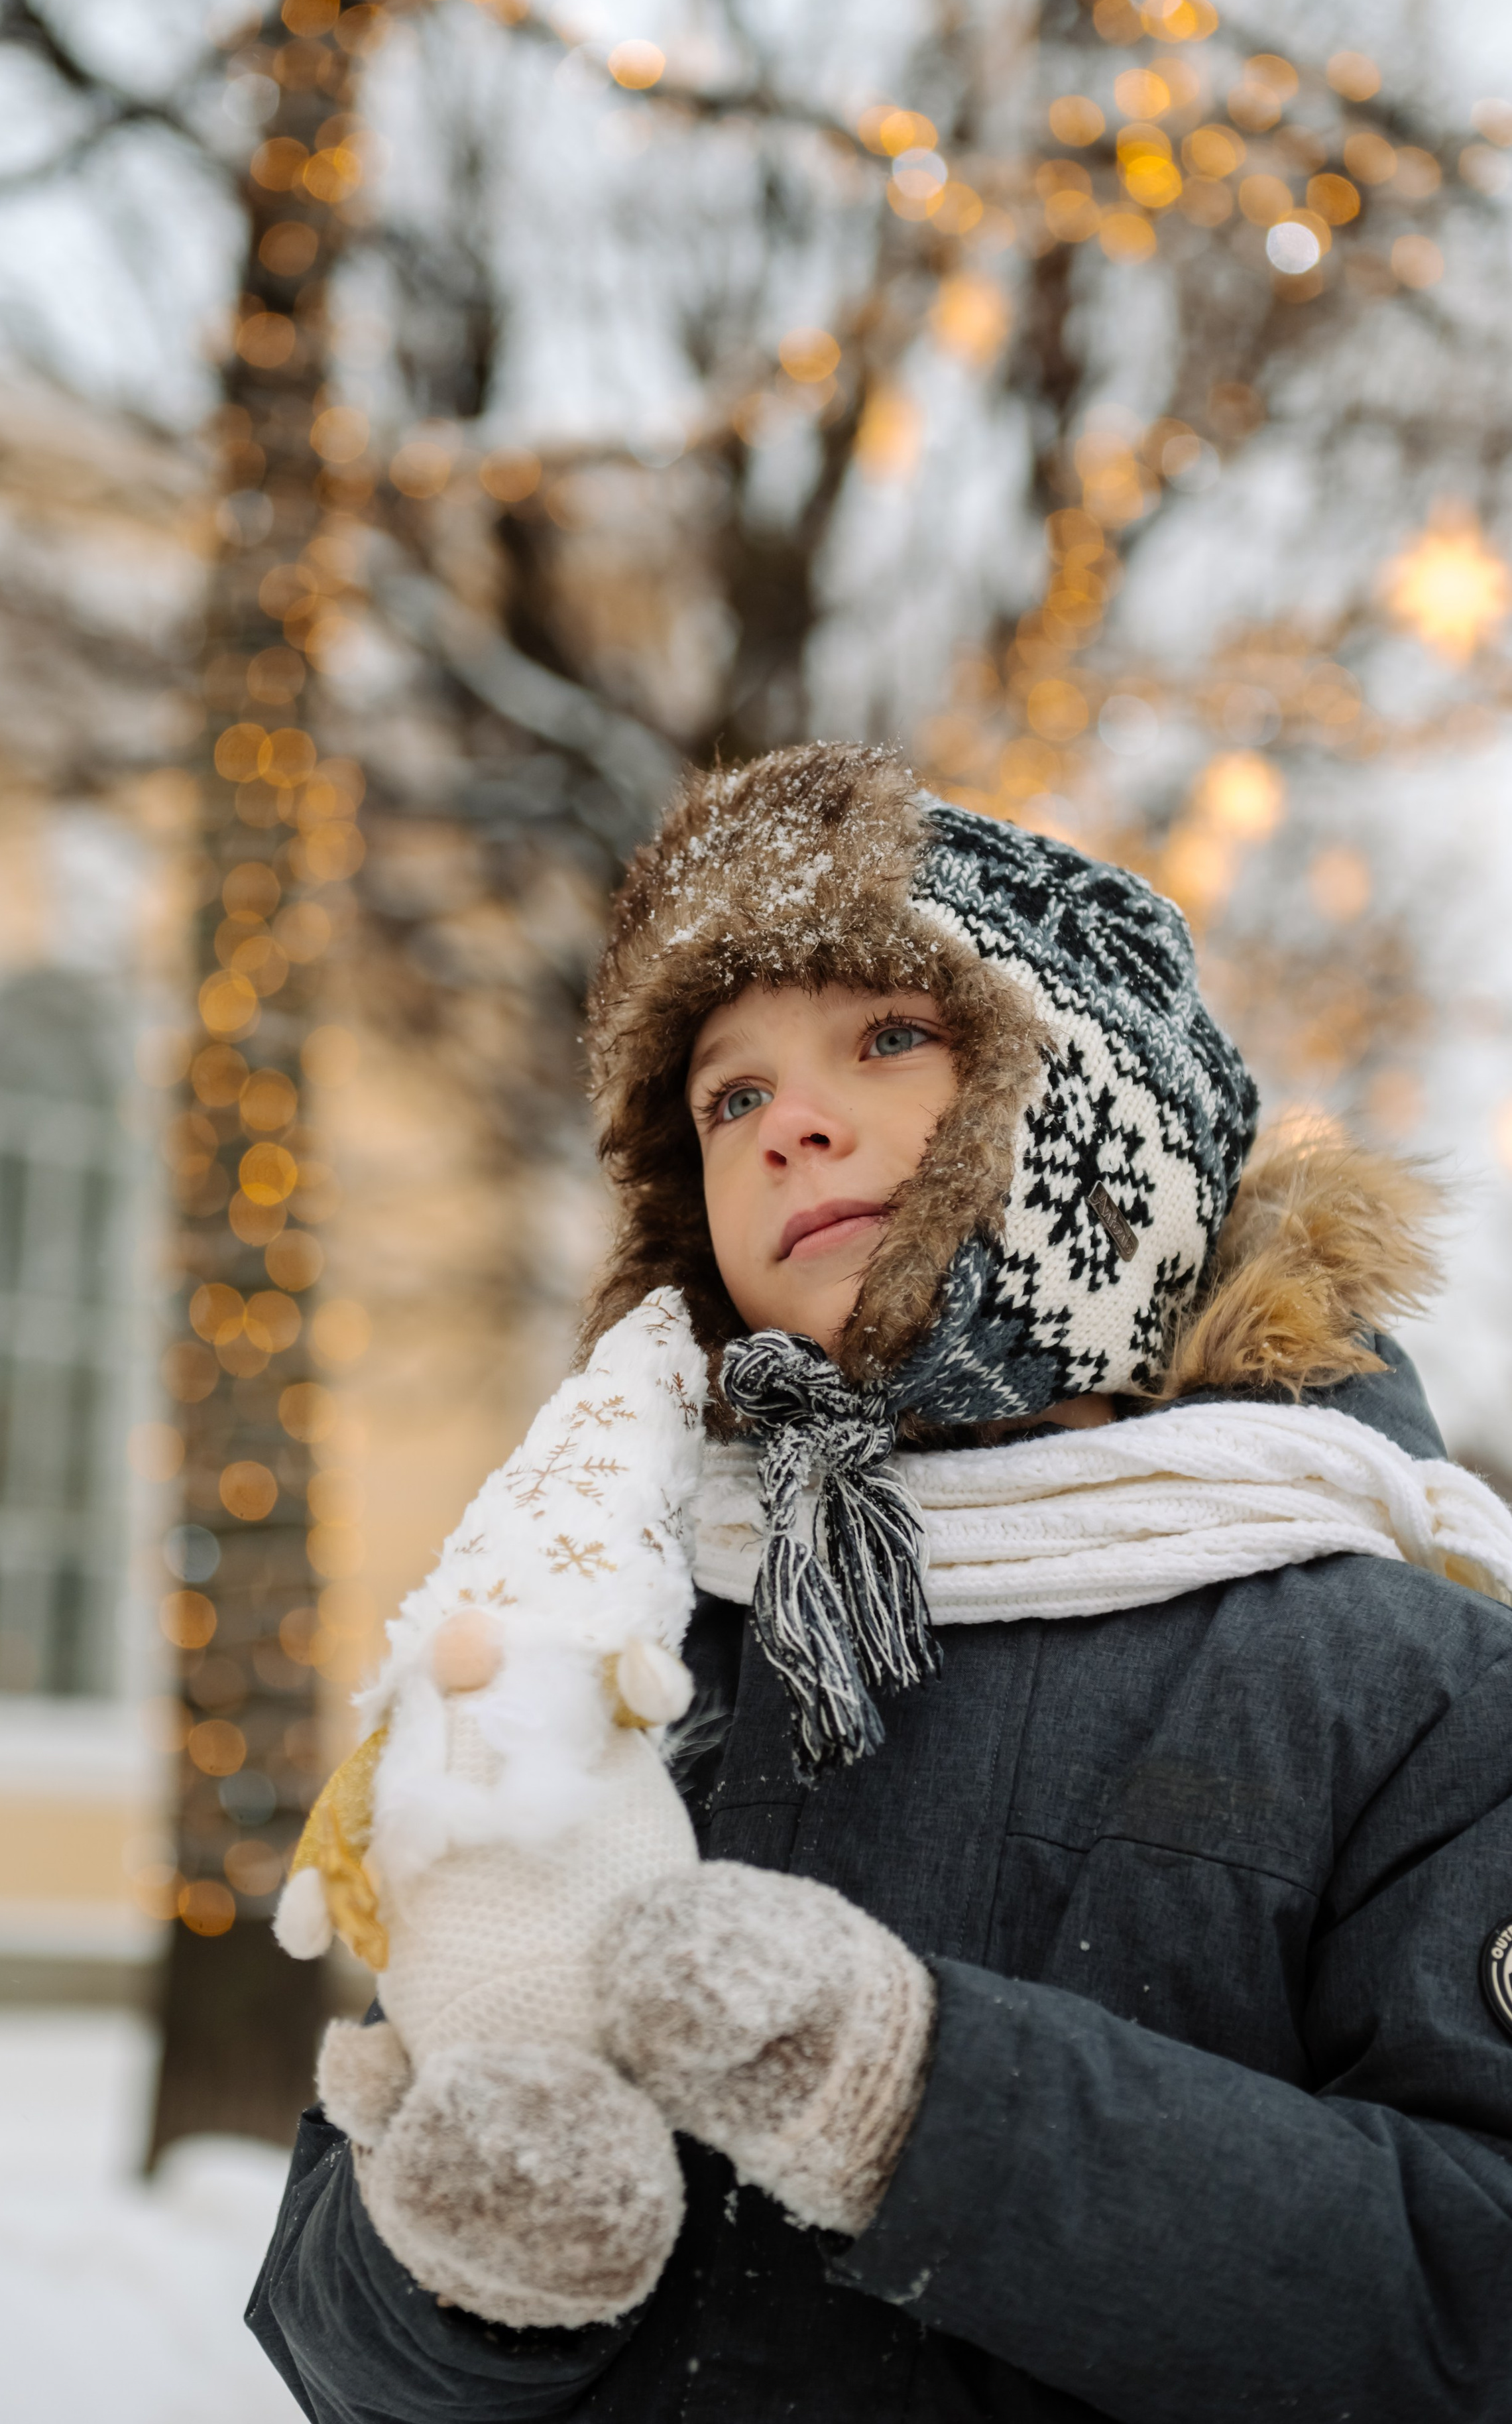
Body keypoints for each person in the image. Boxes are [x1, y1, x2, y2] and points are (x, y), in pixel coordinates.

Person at [248, 744, 1512, 2423]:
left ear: (1091, 1098)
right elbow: (330, 2315)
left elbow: (1465, 2296)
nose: (794, 1127)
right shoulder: (625, 1643)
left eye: (891, 1035)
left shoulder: (1406, 1680)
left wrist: (917, 2102)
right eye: (730, 1097)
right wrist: (461, 2273)